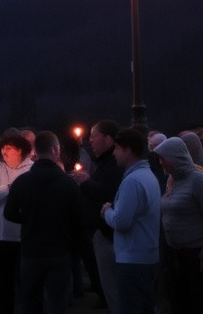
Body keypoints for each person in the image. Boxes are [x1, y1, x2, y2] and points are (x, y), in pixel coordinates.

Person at [4, 130, 84, 314]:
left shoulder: (22, 182)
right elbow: (78, 220)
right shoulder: (68, 183)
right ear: (56, 150)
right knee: (57, 302)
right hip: (59, 251)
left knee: (30, 301)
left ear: (36, 152)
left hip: (31, 251)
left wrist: (29, 218)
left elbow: (9, 213)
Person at [152, 136, 203, 314]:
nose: (160, 163)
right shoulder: (171, 180)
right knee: (180, 301)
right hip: (175, 254)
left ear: (175, 157)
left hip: (195, 254)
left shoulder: (197, 180)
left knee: (200, 301)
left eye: (163, 158)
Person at [101, 128, 161, 314]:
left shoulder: (132, 181)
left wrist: (107, 212)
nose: (114, 153)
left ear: (128, 150)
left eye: (117, 148)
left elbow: (121, 221)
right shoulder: (148, 176)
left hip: (133, 259)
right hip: (147, 257)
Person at [71, 120, 122, 311]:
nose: (90, 141)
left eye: (94, 136)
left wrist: (85, 182)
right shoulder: (104, 162)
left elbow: (106, 193)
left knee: (113, 285)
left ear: (108, 139)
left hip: (108, 231)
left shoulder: (113, 164)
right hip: (101, 229)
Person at [0, 133, 34, 314]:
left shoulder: (30, 170)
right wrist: (10, 189)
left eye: (9, 148)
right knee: (3, 282)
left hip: (21, 235)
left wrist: (3, 193)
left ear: (21, 151)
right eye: (3, 148)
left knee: (24, 281)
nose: (4, 152)